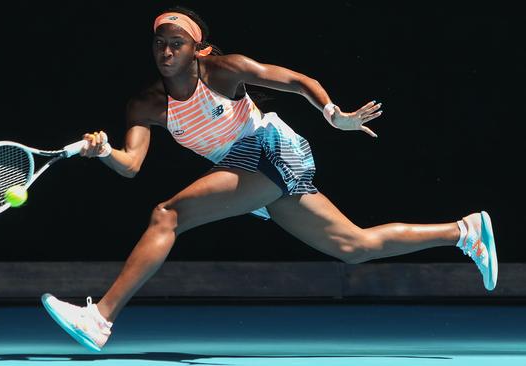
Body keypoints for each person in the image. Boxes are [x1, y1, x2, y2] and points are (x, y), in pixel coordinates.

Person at [40, 6, 498, 352]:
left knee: (168, 215)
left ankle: (100, 318)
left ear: (198, 49)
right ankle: (464, 232)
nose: (165, 51)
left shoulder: (225, 70)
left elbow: (296, 80)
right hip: (242, 167)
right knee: (353, 247)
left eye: (176, 42)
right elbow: (131, 165)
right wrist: (102, 152)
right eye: (159, 42)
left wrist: (332, 114)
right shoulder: (144, 105)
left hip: (273, 149)